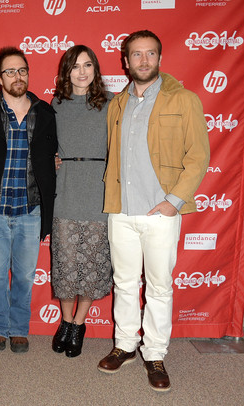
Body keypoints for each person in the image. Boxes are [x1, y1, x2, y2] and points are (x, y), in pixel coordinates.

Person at [98, 30, 210, 392]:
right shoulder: (117, 103)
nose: (143, 61)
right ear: (125, 61)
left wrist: (173, 201)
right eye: (136, 55)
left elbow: (198, 156)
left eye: (150, 54)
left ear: (159, 59)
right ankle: (125, 345)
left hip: (161, 213)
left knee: (159, 287)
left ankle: (155, 353)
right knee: (125, 284)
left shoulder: (184, 99)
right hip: (121, 211)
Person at [0, 46, 58, 353]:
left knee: (24, 276)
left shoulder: (45, 112)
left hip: (31, 210)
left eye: (22, 70)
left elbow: (54, 153)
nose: (17, 76)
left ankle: (18, 328)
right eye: (10, 71)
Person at [50, 45, 113, 358]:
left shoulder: (111, 102)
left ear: (95, 69)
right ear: (66, 71)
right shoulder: (56, 104)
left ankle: (78, 324)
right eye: (75, 66)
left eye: (88, 65)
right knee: (65, 263)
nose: (82, 71)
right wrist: (53, 159)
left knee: (90, 265)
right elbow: (44, 145)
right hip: (66, 188)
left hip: (99, 191)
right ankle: (64, 319)